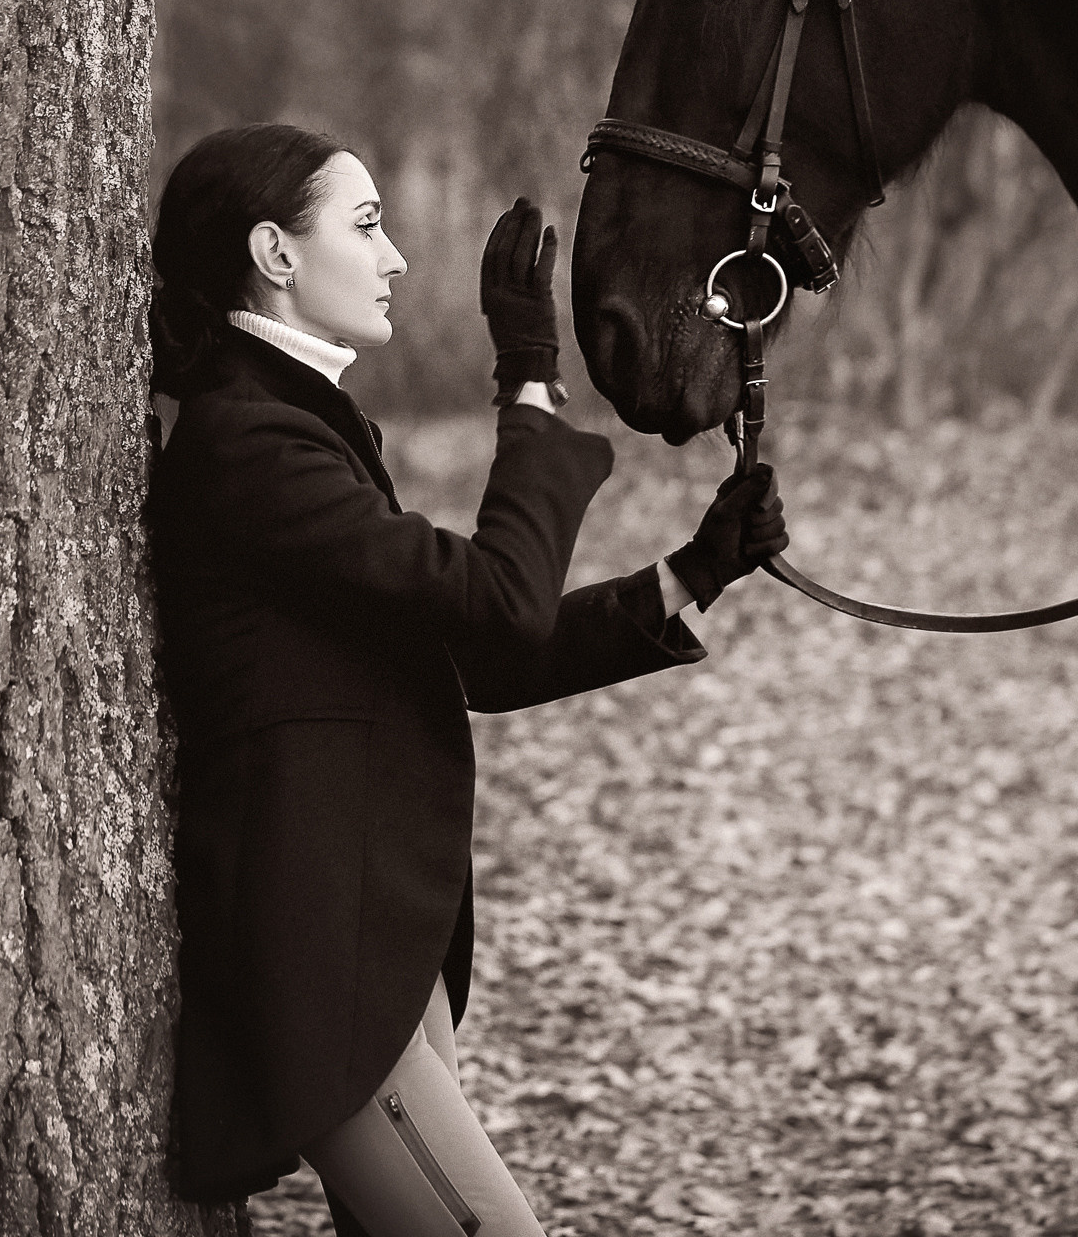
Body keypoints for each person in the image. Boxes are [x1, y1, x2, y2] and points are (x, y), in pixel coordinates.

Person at [148, 122, 788, 1236]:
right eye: (366, 225)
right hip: (326, 959)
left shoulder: (293, 430)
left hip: (378, 947)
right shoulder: (247, 446)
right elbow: (495, 599)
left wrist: (693, 573)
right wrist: (529, 383)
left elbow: (476, 649)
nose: (395, 256)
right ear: (275, 253)